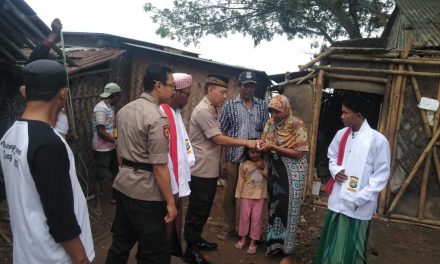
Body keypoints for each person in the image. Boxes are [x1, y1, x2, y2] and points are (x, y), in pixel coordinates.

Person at [0, 59, 94, 263]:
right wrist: (81, 259)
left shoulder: (10, 137)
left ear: (25, 91)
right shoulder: (48, 144)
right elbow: (61, 219)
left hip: (28, 252)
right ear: (63, 93)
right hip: (54, 256)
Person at [183, 74, 259, 264]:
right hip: (200, 170)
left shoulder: (212, 109)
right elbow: (217, 138)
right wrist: (246, 142)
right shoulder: (203, 111)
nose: (225, 96)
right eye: (222, 92)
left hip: (208, 170)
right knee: (197, 210)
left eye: (226, 92)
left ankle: (196, 239)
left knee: (204, 208)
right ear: (210, 91)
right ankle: (189, 250)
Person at [106, 64, 177, 264]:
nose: (173, 90)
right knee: (153, 253)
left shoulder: (124, 110)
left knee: (120, 244)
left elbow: (118, 150)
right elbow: (159, 165)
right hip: (147, 193)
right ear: (158, 85)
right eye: (171, 85)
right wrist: (171, 203)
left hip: (124, 184)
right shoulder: (158, 117)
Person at [315, 93, 391, 264]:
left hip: (359, 203)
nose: (341, 116)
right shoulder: (341, 134)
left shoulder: (378, 141)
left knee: (353, 245)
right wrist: (336, 170)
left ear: (358, 115)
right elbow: (332, 156)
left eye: (345, 112)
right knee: (333, 239)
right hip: (338, 198)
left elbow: (381, 174)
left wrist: (362, 196)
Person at [217, 70, 269, 240]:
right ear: (239, 86)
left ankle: (250, 232)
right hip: (234, 156)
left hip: (255, 159)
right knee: (229, 195)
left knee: (254, 195)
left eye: (252, 86)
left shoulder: (262, 106)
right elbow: (223, 132)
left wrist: (263, 158)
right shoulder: (230, 106)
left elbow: (265, 132)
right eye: (246, 86)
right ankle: (229, 226)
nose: (249, 89)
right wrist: (222, 160)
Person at [259, 94, 309, 264]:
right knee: (275, 208)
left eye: (277, 111)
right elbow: (264, 142)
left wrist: (273, 146)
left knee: (290, 210)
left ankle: (287, 252)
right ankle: (274, 246)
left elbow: (300, 153)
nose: (273, 115)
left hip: (294, 171)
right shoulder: (270, 124)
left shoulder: (297, 125)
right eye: (271, 111)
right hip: (276, 169)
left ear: (286, 110)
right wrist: (261, 146)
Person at [160, 73, 195, 257]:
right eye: (187, 94)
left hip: (178, 180)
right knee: (166, 221)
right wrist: (174, 189)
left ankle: (171, 251)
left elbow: (182, 146)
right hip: (169, 183)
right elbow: (166, 156)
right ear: (176, 91)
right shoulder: (163, 112)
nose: (188, 99)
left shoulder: (176, 112)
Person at [92, 82, 121, 214]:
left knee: (114, 171)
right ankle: (97, 203)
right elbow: (101, 131)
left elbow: (110, 128)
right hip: (101, 148)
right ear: (114, 95)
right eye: (118, 96)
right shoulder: (100, 108)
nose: (118, 99)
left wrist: (114, 139)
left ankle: (114, 197)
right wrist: (115, 141)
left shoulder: (109, 107)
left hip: (110, 146)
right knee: (99, 176)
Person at [234, 146, 268, 254]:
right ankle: (243, 238)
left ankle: (253, 242)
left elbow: (268, 176)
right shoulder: (243, 164)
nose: (255, 155)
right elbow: (240, 181)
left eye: (258, 152)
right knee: (244, 218)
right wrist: (238, 196)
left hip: (260, 196)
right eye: (252, 152)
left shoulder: (265, 163)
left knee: (256, 219)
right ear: (247, 152)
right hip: (246, 195)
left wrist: (263, 168)